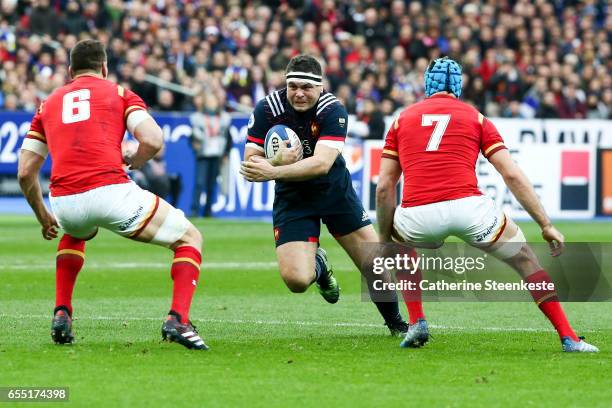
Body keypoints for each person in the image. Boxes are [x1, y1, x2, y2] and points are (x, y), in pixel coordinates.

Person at [376, 57, 598, 352]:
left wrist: (383, 239)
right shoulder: (476, 118)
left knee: (402, 247)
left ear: (426, 84)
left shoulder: (401, 120)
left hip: (419, 215)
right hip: (470, 210)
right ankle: (569, 337)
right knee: (526, 260)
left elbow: (384, 188)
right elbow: (511, 174)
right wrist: (546, 224)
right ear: (458, 85)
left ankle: (417, 321)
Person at [17, 39, 208, 350]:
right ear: (104, 68)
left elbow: (25, 171)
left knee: (77, 233)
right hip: (110, 191)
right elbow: (153, 139)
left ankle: (62, 312)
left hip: (64, 201)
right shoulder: (119, 93)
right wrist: (134, 160)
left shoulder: (48, 104)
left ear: (70, 71)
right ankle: (178, 319)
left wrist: (43, 216)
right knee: (190, 238)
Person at [240, 54, 411, 336]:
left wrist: (276, 169)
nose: (299, 93)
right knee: (296, 280)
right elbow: (250, 160)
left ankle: (396, 324)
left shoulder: (333, 110)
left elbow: (321, 164)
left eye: (307, 87)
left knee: (375, 264)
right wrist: (275, 162)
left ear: (320, 88)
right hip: (293, 198)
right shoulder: (268, 108)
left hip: (333, 191)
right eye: (293, 86)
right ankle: (318, 266)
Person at [189, 93, 232, 217]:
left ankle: (208, 211)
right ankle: (194, 210)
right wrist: (194, 143)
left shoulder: (224, 118)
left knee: (211, 184)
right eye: (209, 101)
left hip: (217, 154)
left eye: (213, 101)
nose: (211, 104)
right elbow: (192, 136)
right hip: (203, 154)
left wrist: (225, 153)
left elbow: (228, 137)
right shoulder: (198, 118)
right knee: (199, 182)